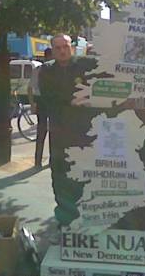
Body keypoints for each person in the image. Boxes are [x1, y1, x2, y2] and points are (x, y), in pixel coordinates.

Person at [38, 34, 85, 228]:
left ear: (71, 47)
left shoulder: (84, 65)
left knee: (82, 174)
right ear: (52, 51)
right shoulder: (47, 71)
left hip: (83, 133)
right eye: (57, 48)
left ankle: (82, 215)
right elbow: (48, 98)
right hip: (59, 132)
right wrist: (71, 101)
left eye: (65, 46)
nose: (62, 51)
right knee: (59, 175)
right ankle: (64, 218)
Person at [28, 47, 53, 168]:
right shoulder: (56, 69)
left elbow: (30, 88)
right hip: (53, 102)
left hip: (41, 102)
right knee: (54, 132)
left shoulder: (38, 69)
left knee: (41, 132)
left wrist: (32, 104)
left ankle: (37, 161)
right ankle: (52, 160)